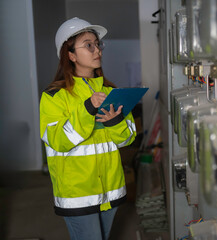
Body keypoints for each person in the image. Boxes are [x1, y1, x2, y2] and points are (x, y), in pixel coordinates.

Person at [39, 17, 137, 240]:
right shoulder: (54, 96)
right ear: (70, 55)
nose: (97, 50)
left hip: (110, 189)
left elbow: (127, 138)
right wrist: (88, 109)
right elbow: (58, 140)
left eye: (97, 44)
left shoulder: (112, 91)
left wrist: (114, 122)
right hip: (78, 194)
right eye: (88, 45)